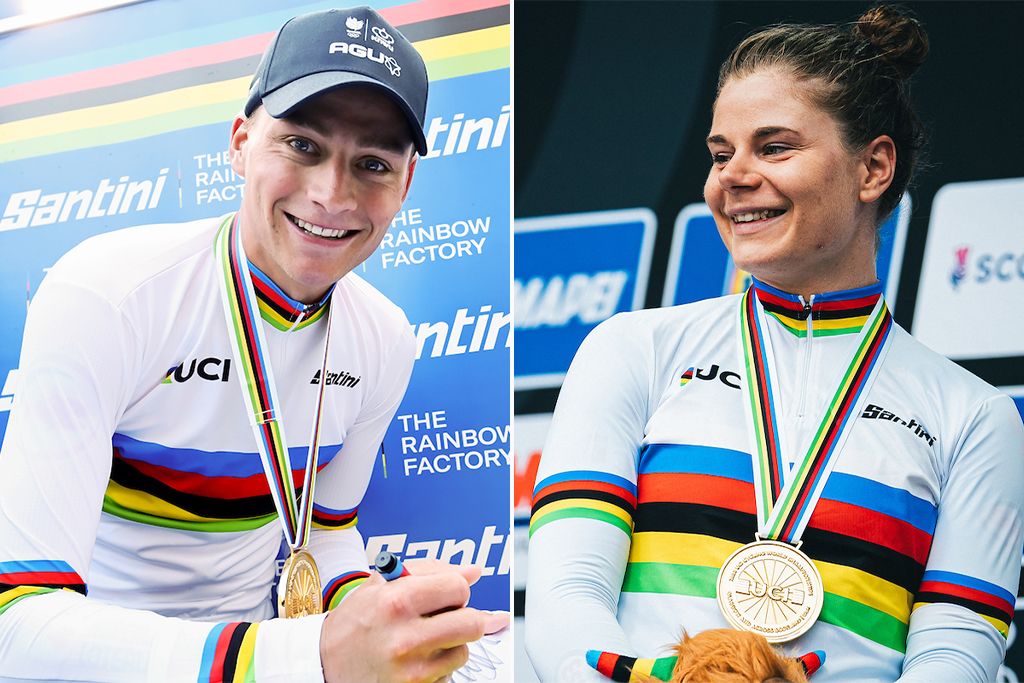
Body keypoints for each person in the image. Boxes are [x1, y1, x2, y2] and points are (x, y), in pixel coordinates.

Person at [0, 6, 505, 682]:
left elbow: (324, 534)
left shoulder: (384, 338)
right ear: (240, 142)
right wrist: (307, 655)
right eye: (302, 145)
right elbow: (18, 624)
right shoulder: (107, 293)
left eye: (374, 164)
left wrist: (383, 620)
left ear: (406, 184)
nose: (332, 194)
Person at [525, 5, 1024, 682]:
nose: (732, 175)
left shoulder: (972, 416)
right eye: (721, 153)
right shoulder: (633, 350)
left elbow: (955, 655)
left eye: (774, 147)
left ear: (873, 167)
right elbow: (565, 597)